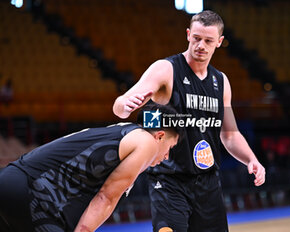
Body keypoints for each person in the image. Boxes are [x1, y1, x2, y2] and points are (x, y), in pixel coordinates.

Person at [113, 10, 265, 232]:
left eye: (208, 40)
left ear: (219, 42)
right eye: (196, 38)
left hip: (208, 183)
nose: (201, 45)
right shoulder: (166, 69)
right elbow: (121, 104)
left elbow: (229, 134)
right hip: (169, 181)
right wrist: (124, 106)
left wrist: (251, 159)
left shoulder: (221, 82)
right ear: (188, 35)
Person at [0, 103, 181, 232]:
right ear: (160, 136)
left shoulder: (124, 132)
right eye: (170, 148)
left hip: (13, 180)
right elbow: (106, 197)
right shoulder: (146, 141)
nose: (166, 157)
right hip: (33, 192)